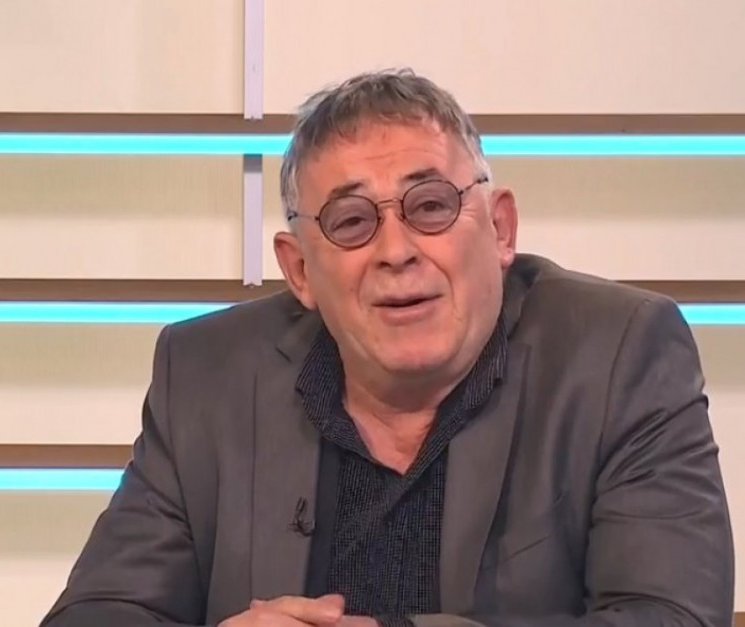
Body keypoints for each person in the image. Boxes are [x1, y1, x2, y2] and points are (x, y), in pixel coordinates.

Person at [40, 69, 734, 627]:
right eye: (351, 221)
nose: (396, 251)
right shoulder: (207, 374)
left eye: (430, 205)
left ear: (499, 229)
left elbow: (670, 615)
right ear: (300, 271)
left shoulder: (619, 354)